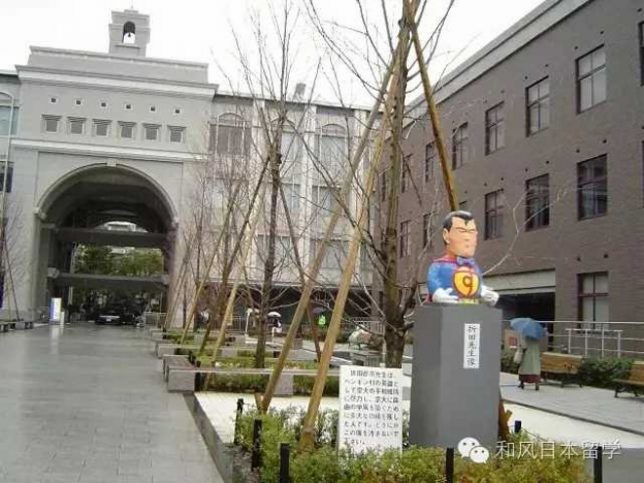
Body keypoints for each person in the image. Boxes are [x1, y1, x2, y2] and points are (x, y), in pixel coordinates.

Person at [427, 210, 499, 305]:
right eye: (462, 231)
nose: (467, 238)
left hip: (471, 309)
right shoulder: (438, 265)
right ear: (446, 235)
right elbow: (433, 282)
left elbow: (478, 286)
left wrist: (485, 293)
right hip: (448, 310)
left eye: (472, 232)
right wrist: (438, 293)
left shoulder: (473, 267)